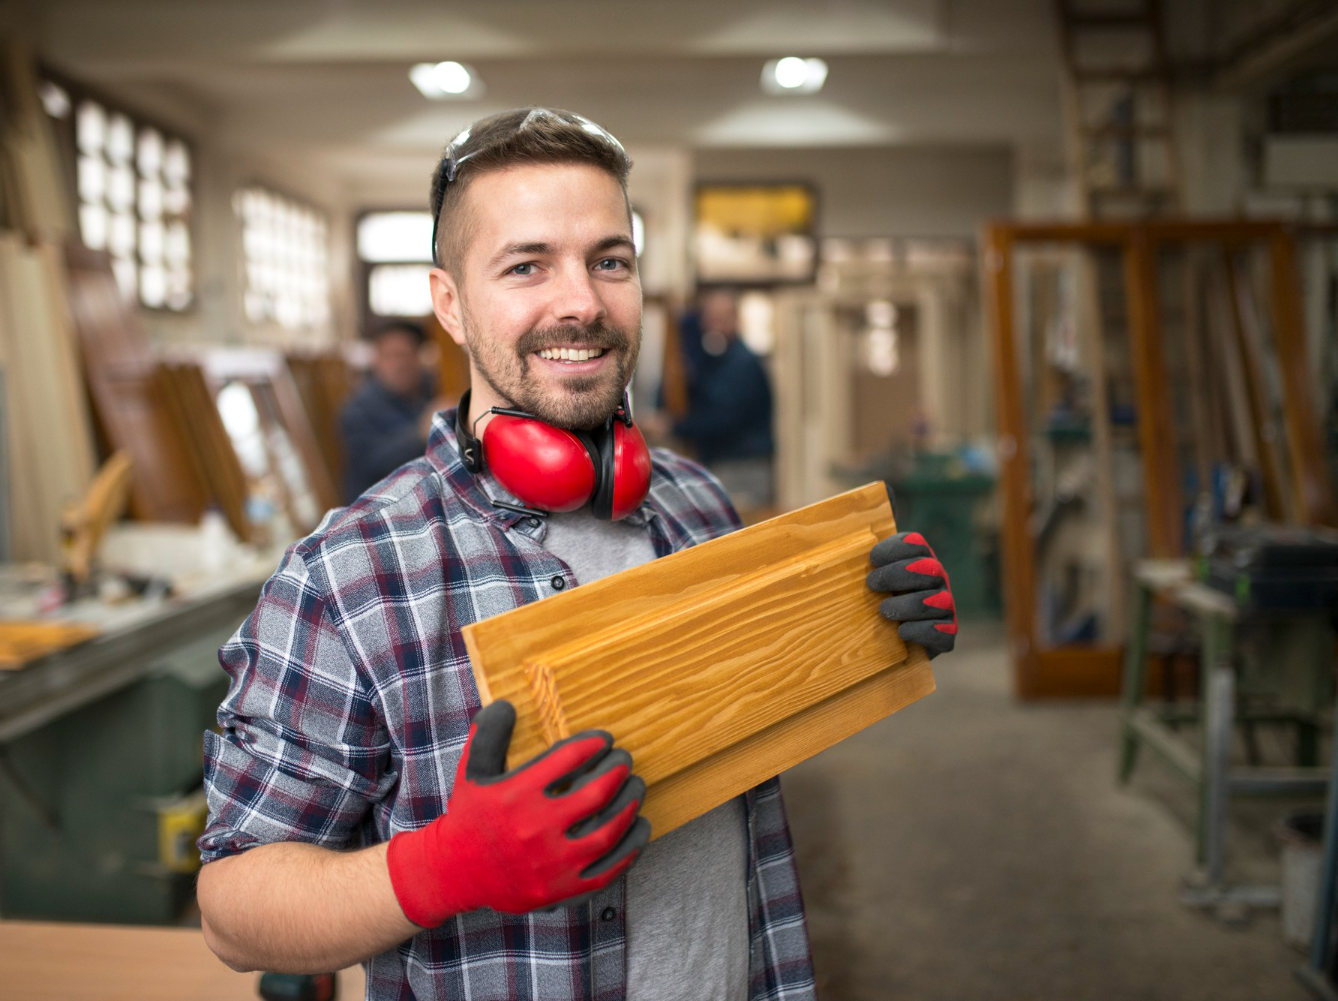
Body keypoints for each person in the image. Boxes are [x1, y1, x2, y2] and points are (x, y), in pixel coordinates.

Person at [196, 107, 958, 1001]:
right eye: (527, 266)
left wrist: (863, 630)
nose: (583, 302)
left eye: (610, 261)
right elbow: (232, 909)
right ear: (450, 302)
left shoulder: (696, 504)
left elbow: (741, 732)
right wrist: (445, 867)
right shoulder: (350, 574)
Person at [671, 288, 775, 508]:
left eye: (720, 319)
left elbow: (723, 420)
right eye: (709, 319)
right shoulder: (715, 360)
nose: (713, 326)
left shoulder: (742, 364)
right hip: (722, 465)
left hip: (743, 468)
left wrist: (674, 427)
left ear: (735, 319)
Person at [337, 320, 445, 503]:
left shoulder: (432, 391)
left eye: (405, 355)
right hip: (377, 507)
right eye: (390, 356)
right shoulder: (358, 408)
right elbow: (371, 464)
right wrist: (420, 432)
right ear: (376, 360)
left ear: (419, 358)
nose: (399, 364)